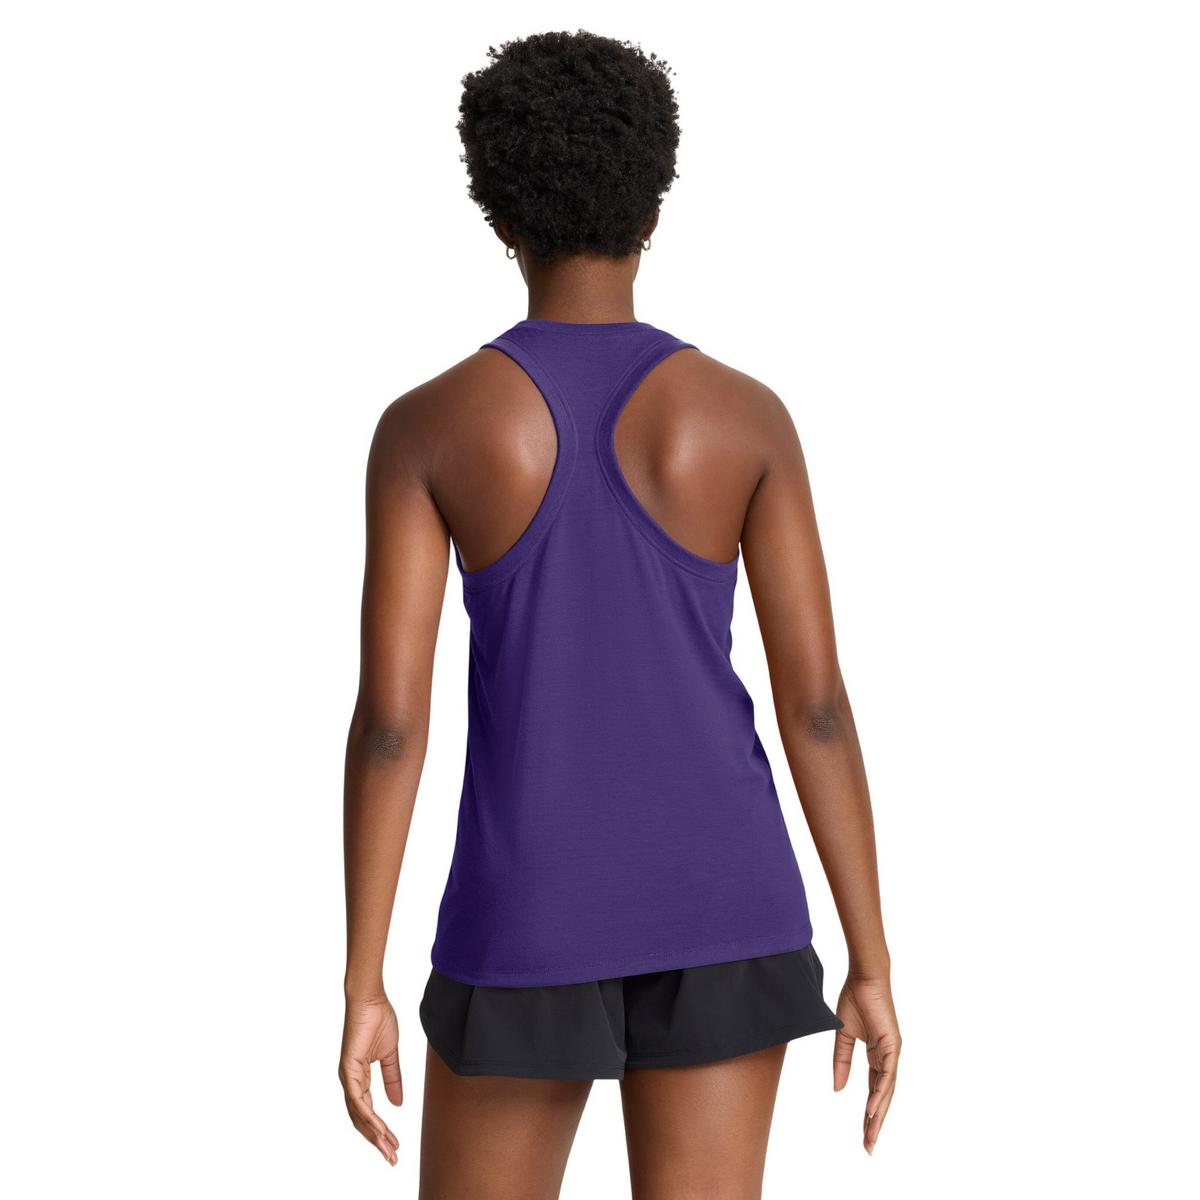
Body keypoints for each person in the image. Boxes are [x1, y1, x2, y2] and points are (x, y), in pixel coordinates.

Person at [338, 30, 900, 1199]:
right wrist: (871, 957)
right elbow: (818, 709)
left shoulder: (430, 428)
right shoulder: (745, 418)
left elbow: (391, 726)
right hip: (726, 902)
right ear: (653, 208)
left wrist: (363, 981)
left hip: (524, 912)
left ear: (500, 214)